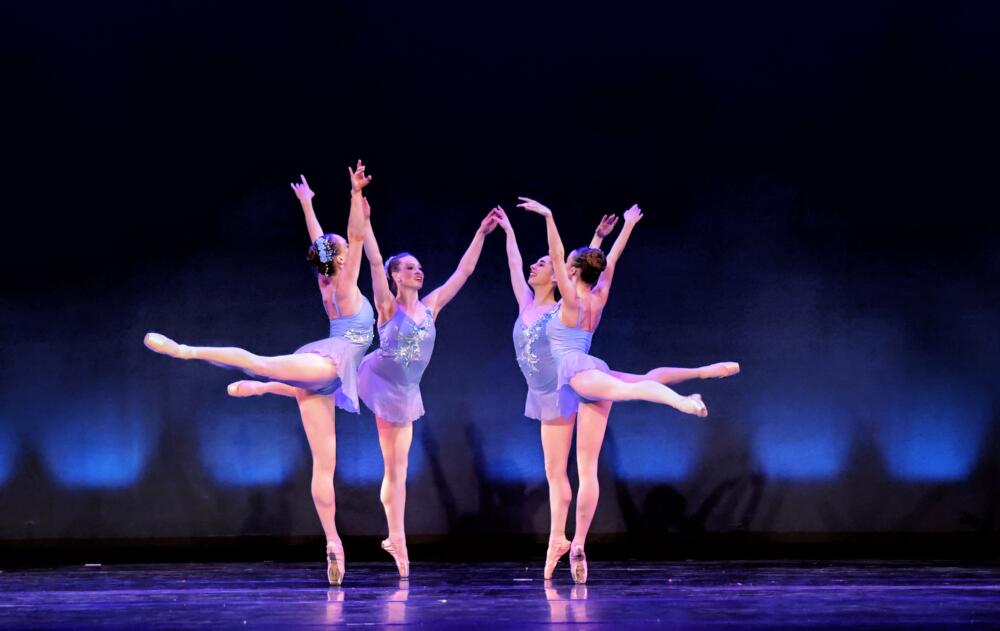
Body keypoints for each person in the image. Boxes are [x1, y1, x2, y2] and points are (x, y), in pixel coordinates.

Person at [143, 161, 377, 585]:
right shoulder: (343, 284)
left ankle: (333, 543)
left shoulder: (328, 280)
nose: (342, 246)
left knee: (324, 464)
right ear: (341, 260)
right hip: (330, 363)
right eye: (341, 247)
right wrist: (354, 195)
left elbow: (324, 241)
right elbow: (355, 236)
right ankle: (187, 351)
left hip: (329, 372)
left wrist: (308, 206)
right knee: (261, 361)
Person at [518, 197, 739, 583]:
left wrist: (550, 217)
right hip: (590, 370)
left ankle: (684, 402)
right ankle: (579, 542)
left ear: (569, 271)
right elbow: (606, 262)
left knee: (632, 390)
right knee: (625, 401)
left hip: (575, 373)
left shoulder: (569, 300)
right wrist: (621, 231)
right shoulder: (597, 295)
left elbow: (560, 255)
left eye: (564, 265)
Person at [356, 203, 501, 578]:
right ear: (395, 276)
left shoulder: (431, 306)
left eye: (420, 266)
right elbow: (373, 261)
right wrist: (366, 217)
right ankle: (399, 538)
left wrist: (481, 234)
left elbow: (464, 271)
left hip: (405, 392)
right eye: (409, 267)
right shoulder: (386, 306)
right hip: (380, 382)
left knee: (397, 470)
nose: (418, 270)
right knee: (394, 467)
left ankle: (395, 539)